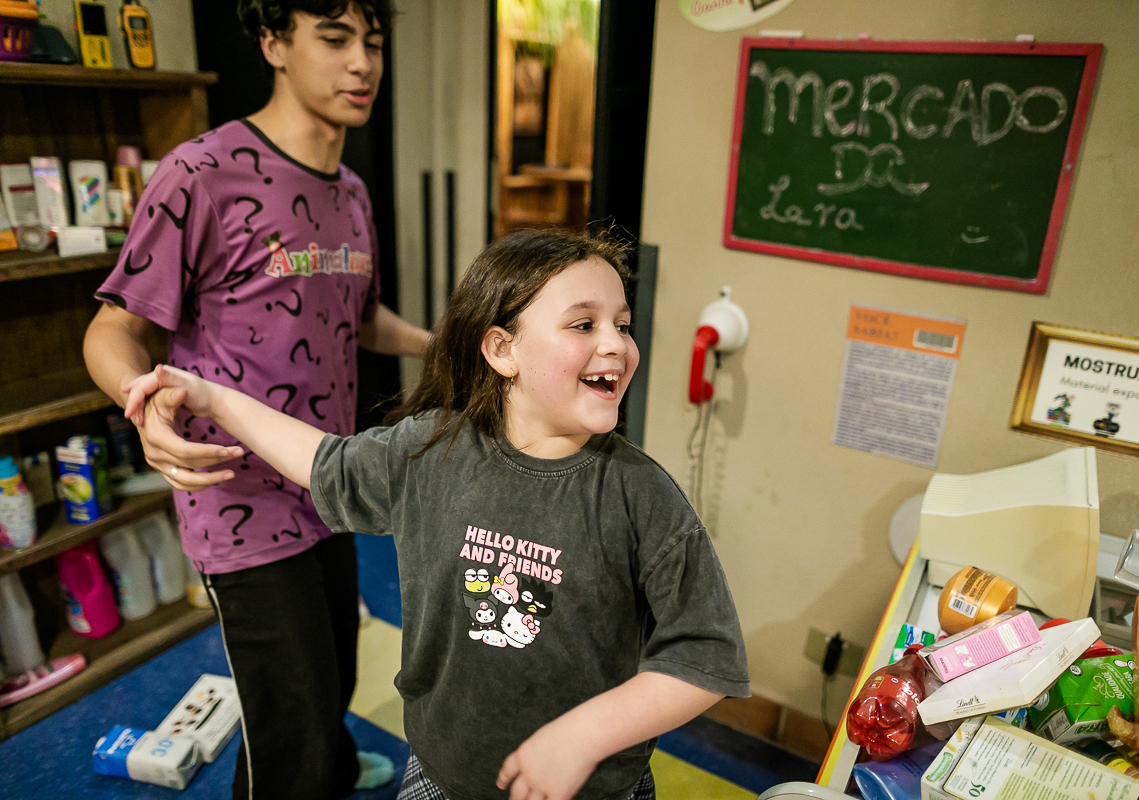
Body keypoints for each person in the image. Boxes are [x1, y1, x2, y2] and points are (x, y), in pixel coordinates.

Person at [122, 229, 751, 800]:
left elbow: (705, 658)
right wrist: (211, 397)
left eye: (622, 323)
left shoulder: (641, 495)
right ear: (502, 351)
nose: (616, 345)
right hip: (441, 774)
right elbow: (326, 462)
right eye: (583, 325)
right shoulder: (432, 450)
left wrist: (583, 736)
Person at [82, 2, 429, 797]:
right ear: (273, 43)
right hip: (236, 496)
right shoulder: (200, 175)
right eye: (335, 39)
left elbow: (356, 314)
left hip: (329, 479)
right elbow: (112, 331)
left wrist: (435, 342)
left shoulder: (351, 191)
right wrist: (142, 403)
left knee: (335, 668)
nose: (362, 65)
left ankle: (334, 769)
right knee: (290, 715)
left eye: (372, 44)